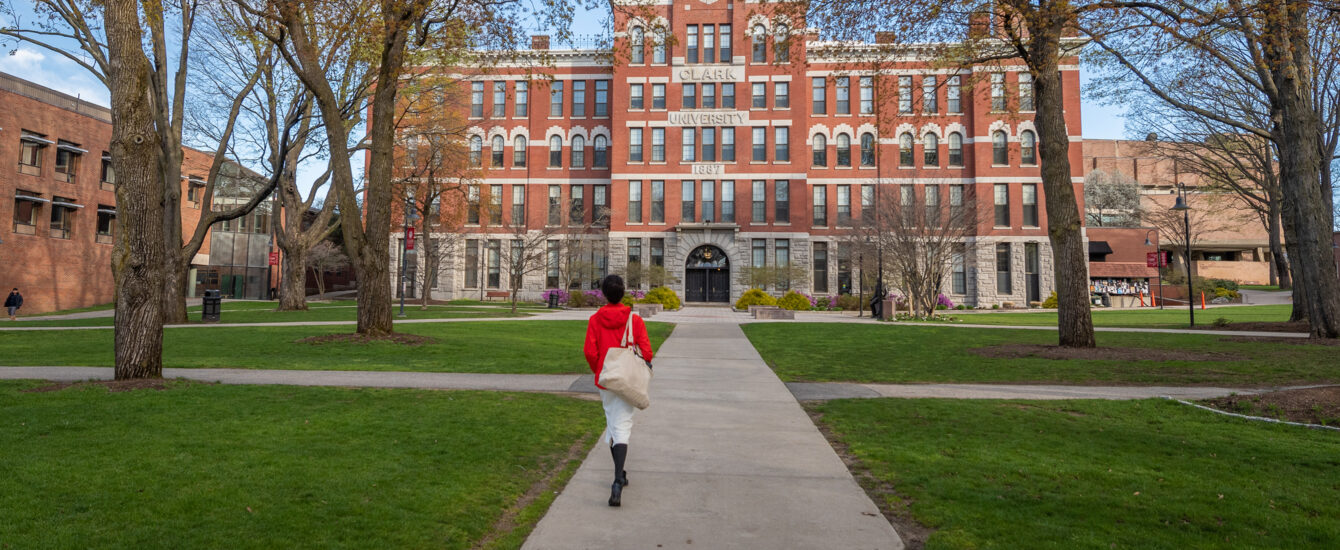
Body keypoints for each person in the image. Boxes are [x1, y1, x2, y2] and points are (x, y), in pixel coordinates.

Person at [583, 274, 654, 507]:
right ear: (623, 293)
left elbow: (589, 352)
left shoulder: (595, 319)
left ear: (604, 293)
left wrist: (601, 370)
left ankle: (620, 475)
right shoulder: (634, 320)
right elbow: (647, 353)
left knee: (614, 423)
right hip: (627, 381)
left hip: (606, 381)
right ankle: (617, 480)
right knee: (621, 426)